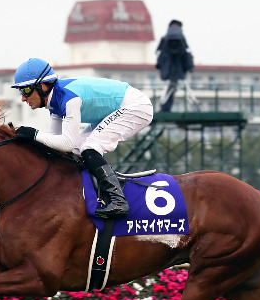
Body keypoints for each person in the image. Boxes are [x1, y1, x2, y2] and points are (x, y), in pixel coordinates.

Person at [11, 58, 154, 218]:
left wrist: (33, 134)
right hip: (113, 110)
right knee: (77, 151)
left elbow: (66, 143)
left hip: (135, 106)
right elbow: (58, 146)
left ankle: (118, 200)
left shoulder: (68, 98)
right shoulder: (55, 103)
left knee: (89, 148)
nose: (23, 98)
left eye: (26, 91)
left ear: (42, 86)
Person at [155, 19, 194, 112]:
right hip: (179, 70)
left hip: (168, 70)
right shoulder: (182, 40)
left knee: (169, 89)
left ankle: (164, 108)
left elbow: (159, 53)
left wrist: (160, 66)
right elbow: (187, 54)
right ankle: (192, 107)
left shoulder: (164, 40)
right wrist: (189, 66)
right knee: (173, 89)